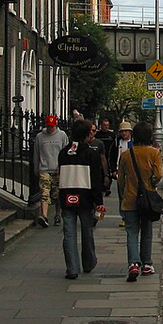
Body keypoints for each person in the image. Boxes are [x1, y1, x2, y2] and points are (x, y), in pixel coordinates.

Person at [58, 118, 106, 279]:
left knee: (69, 234)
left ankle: (72, 268)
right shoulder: (91, 154)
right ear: (86, 135)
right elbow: (96, 180)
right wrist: (98, 201)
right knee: (87, 232)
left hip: (66, 197)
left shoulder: (63, 153)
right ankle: (88, 262)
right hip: (85, 198)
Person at [117, 121, 163, 281]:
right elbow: (158, 175)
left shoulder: (126, 155)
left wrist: (124, 193)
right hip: (148, 200)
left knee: (131, 232)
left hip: (130, 199)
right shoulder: (154, 153)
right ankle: (147, 264)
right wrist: (151, 184)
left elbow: (120, 179)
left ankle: (133, 263)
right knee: (147, 232)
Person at [32, 115, 69, 228]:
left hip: (58, 169)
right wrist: (36, 168)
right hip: (44, 169)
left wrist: (64, 168)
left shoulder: (62, 135)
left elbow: (66, 152)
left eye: (52, 126)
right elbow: (36, 153)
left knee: (57, 194)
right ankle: (44, 216)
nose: (50, 128)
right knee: (44, 193)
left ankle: (57, 214)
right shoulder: (40, 137)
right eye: (48, 126)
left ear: (56, 125)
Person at [109, 121, 134, 227]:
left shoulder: (134, 143)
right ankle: (124, 217)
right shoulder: (117, 142)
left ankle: (132, 216)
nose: (124, 133)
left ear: (130, 132)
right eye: (122, 131)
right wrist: (113, 170)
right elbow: (112, 156)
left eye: (126, 131)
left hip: (132, 172)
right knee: (122, 195)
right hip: (120, 172)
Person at [86, 122, 111, 201]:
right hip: (85, 172)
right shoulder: (83, 143)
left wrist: (106, 175)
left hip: (96, 172)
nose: (91, 132)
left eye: (93, 130)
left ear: (95, 132)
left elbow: (103, 159)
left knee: (97, 195)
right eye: (89, 130)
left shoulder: (99, 143)